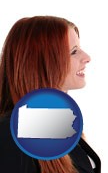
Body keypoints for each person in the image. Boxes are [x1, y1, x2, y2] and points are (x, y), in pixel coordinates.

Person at [0, 16, 101, 173]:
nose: (87, 58)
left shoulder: (53, 121)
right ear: (43, 62)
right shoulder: (10, 134)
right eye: (74, 52)